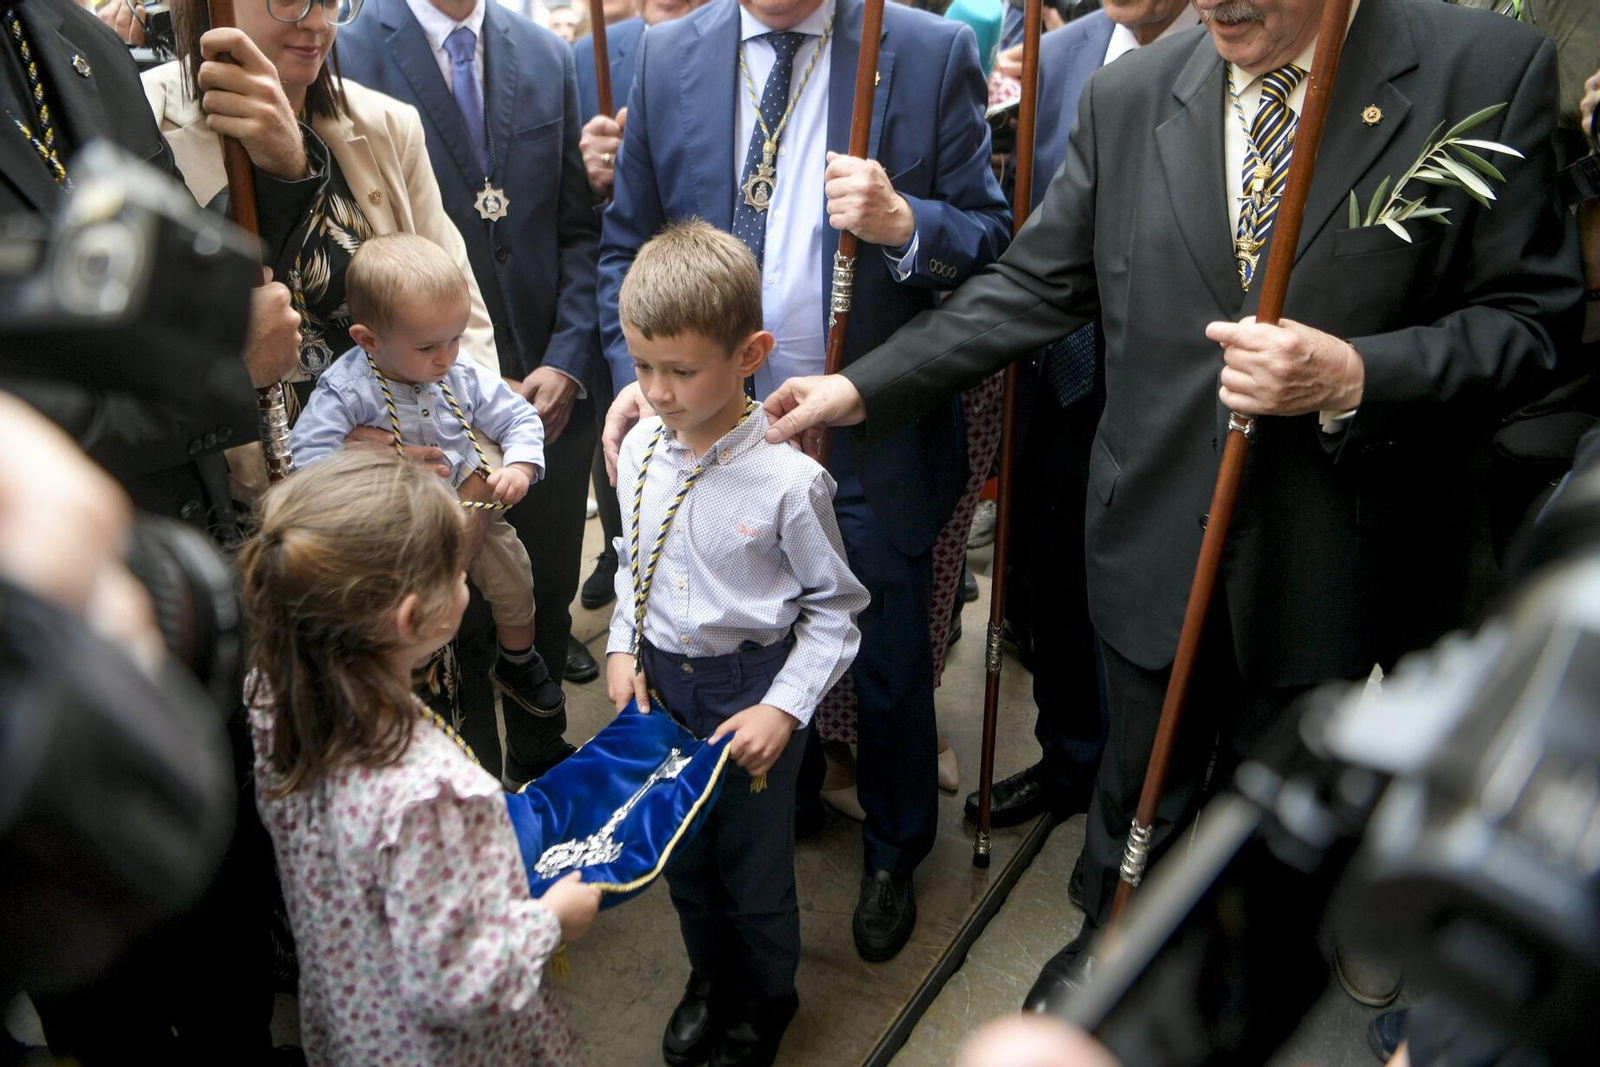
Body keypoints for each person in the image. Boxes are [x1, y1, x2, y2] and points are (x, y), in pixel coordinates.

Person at [761, 0, 1583, 1008]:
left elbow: (1530, 323)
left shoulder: (1483, 71)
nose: (1216, 6)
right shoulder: (1131, 91)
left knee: (1272, 795)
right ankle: (1107, 932)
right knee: (1137, 766)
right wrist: (863, 387)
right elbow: (1031, 287)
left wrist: (1356, 373)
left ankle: (1234, 972)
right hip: (1152, 524)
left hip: (1330, 546)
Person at [599, 0, 1011, 962]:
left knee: (885, 650)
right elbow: (627, 240)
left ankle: (895, 844)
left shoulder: (924, 47)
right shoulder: (669, 54)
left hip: (867, 425)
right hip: (710, 431)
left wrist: (908, 220)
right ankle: (764, 804)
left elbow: (992, 240)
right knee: (734, 637)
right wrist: (643, 382)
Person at [603, 220, 867, 1067]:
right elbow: (628, 560)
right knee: (683, 857)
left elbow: (834, 611)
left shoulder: (792, 482)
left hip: (751, 690)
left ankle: (763, 996)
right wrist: (619, 644)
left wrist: (783, 710)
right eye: (642, 366)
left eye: (681, 369)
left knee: (754, 874)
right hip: (660, 688)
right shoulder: (639, 446)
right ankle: (708, 978)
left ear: (750, 352)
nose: (659, 390)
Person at [238, 448, 598, 1066]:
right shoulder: (430, 794)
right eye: (458, 573)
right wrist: (552, 921)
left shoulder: (272, 695)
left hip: (353, 1014)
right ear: (413, 617)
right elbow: (456, 983)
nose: (466, 582)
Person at [338, 0, 604, 780]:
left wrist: (566, 358)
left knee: (544, 586)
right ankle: (474, 786)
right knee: (455, 611)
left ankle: (539, 751)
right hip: (434, 397)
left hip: (550, 397)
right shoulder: (349, 54)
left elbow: (578, 229)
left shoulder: (545, 54)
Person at [970, 0, 1196, 836]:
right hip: (1055, 366)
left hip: (1168, 380)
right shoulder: (1060, 51)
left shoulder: (1233, 44)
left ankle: (1138, 799)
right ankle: (1071, 757)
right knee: (1050, 576)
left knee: (1146, 596)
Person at [290, 234, 567, 726]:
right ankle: (395, 690)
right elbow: (306, 460)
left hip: (466, 511)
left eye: (456, 338)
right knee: (403, 619)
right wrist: (373, 467)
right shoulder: (346, 390)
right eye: (428, 346)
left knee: (513, 576)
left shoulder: (459, 373)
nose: (446, 357)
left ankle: (518, 662)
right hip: (390, 535)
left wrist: (520, 466)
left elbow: (518, 418)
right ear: (368, 339)